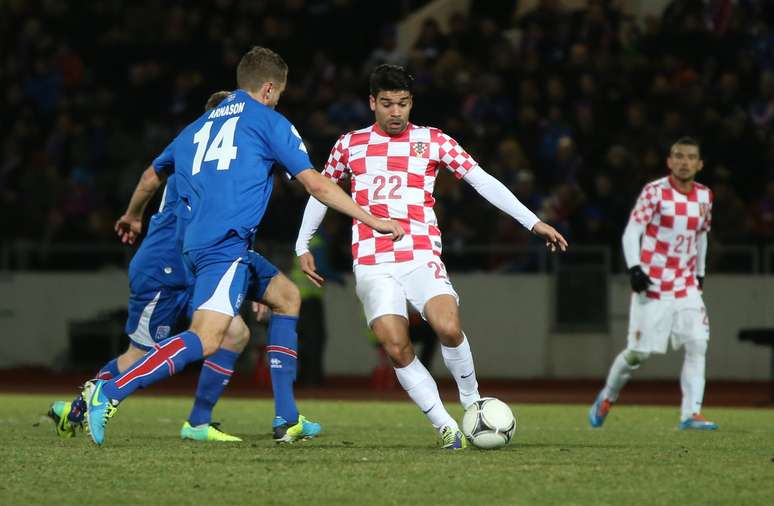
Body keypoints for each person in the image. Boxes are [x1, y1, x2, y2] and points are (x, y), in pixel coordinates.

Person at [81, 47, 404, 446]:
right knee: (207, 337)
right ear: (269, 89)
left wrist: (132, 215)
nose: (277, 100)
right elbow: (317, 184)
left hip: (201, 244)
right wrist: (372, 219)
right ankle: (108, 393)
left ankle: (287, 419)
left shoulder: (195, 128)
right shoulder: (268, 122)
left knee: (286, 297)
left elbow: (152, 174)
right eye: (279, 94)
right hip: (224, 246)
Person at [295, 64, 567, 449]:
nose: (395, 112)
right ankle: (445, 426)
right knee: (395, 344)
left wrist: (532, 222)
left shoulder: (433, 140)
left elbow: (481, 179)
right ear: (372, 103)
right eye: (387, 104)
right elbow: (322, 190)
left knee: (448, 326)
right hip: (372, 260)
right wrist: (302, 244)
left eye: (402, 104)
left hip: (420, 254)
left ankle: (472, 403)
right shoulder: (349, 144)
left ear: (411, 103)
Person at [589, 137, 717, 431]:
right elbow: (632, 231)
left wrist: (700, 272)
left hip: (685, 285)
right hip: (654, 284)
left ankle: (691, 414)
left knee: (698, 343)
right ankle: (607, 396)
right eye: (678, 156)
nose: (684, 162)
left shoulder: (705, 196)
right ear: (669, 162)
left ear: (699, 164)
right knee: (637, 354)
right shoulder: (654, 193)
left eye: (690, 157)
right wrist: (635, 268)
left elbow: (701, 236)